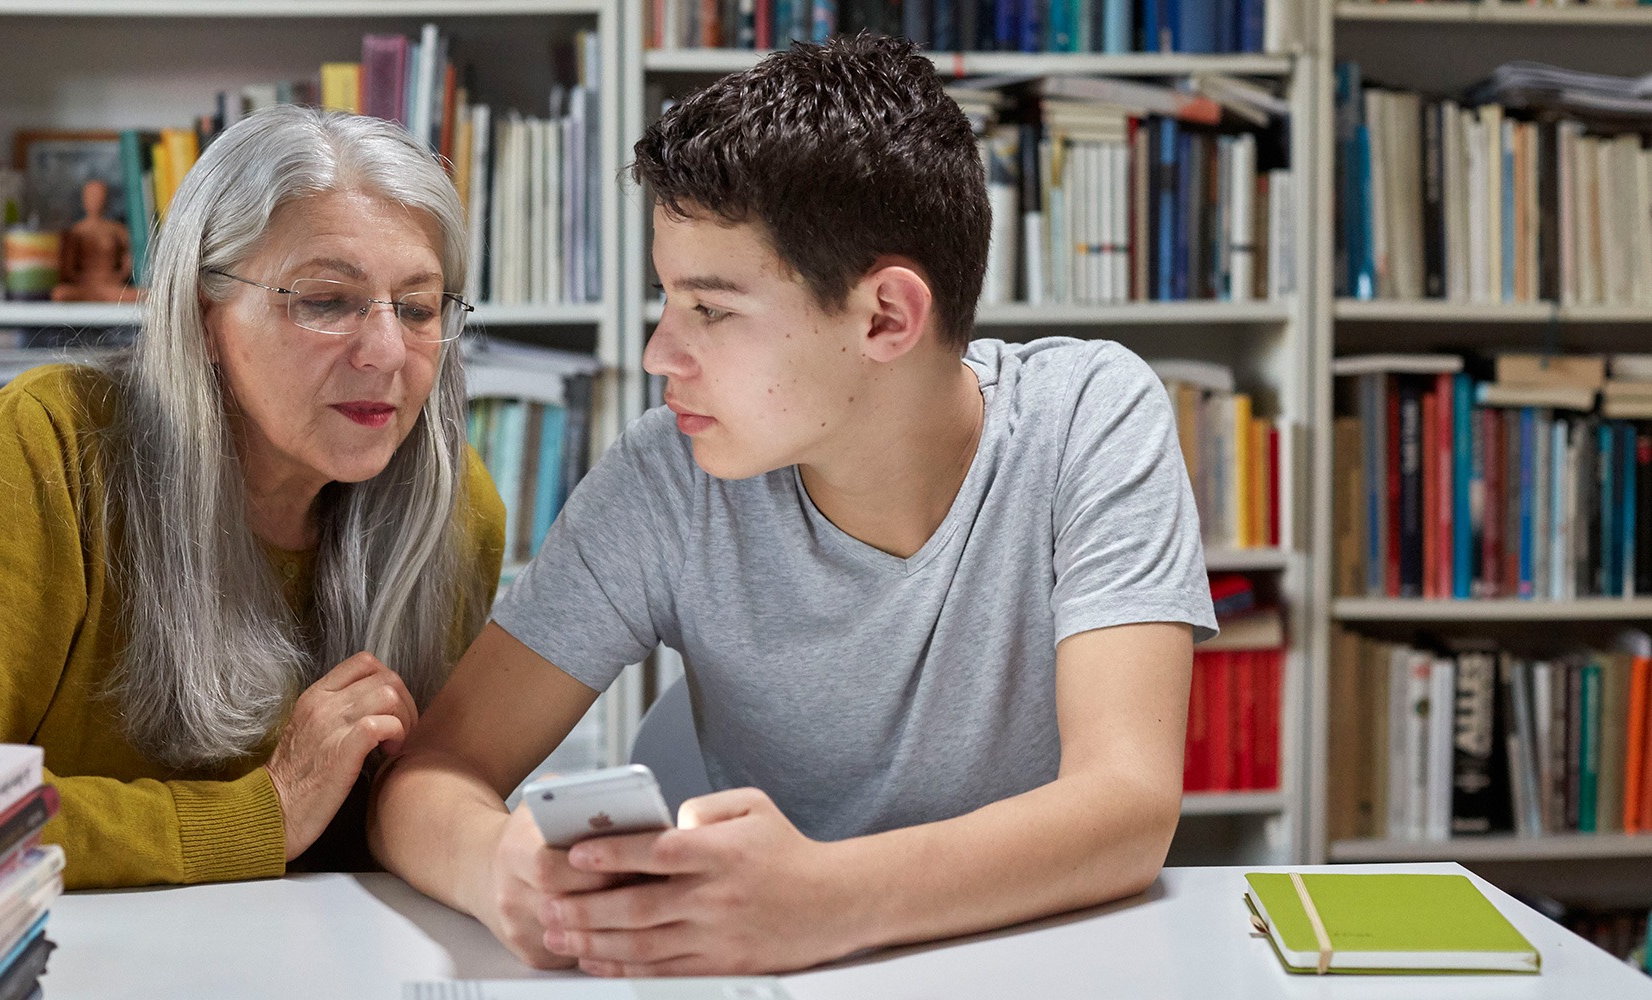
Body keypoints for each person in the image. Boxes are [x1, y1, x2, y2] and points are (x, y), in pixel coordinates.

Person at [370, 33, 1216, 976]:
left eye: (711, 309)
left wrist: (830, 899)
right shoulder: (668, 477)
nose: (658, 355)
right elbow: (429, 778)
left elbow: (1130, 807)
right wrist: (500, 869)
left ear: (886, 317)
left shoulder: (1091, 417)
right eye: (665, 301)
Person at [0, 106, 503, 890]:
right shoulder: (53, 448)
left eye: (417, 309)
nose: (386, 352)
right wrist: (261, 814)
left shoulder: (455, 504)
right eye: (324, 300)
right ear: (205, 314)